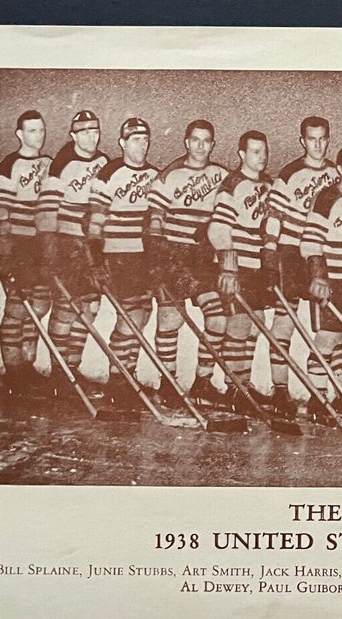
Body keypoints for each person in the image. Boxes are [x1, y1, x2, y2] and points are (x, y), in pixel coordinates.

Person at [146, 119, 228, 409]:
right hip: (172, 255)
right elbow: (155, 216)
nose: (200, 146)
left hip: (202, 257)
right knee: (171, 319)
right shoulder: (171, 173)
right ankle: (167, 383)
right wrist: (159, 256)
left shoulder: (221, 175)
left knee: (218, 317)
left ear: (213, 144)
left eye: (206, 140)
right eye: (195, 140)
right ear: (186, 142)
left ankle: (202, 381)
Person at [266, 116, 339, 416]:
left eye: (323, 138)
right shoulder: (290, 173)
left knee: (328, 325)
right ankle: (280, 390)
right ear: (302, 141)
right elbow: (273, 217)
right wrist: (270, 256)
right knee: (285, 320)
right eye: (312, 139)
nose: (318, 144)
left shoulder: (336, 173)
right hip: (291, 251)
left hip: (320, 254)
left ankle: (321, 394)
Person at [86, 117, 159, 407]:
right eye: (135, 138)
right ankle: (118, 378)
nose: (141, 143)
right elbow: (95, 221)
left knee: (142, 314)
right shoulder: (109, 173)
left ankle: (126, 374)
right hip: (117, 254)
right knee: (128, 316)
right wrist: (96, 259)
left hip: (143, 255)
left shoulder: (155, 174)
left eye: (145, 138)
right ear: (122, 142)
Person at [207, 130, 281, 413]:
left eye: (264, 151)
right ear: (241, 154)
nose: (261, 157)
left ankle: (243, 385)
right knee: (238, 325)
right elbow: (218, 229)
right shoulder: (232, 185)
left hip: (257, 266)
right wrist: (228, 268)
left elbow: (272, 224)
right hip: (237, 266)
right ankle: (235, 390)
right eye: (254, 152)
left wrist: (271, 259)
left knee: (255, 324)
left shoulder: (268, 184)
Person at [37, 110, 108, 396]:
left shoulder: (104, 161)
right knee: (66, 308)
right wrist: (50, 252)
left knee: (90, 307)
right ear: (73, 135)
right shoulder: (60, 165)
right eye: (85, 133)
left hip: (91, 245)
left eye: (96, 132)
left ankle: (72, 368)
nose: (92, 137)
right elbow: (46, 212)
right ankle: (59, 374)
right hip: (67, 244)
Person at [299, 145, 342, 425]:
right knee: (327, 340)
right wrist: (318, 276)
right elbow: (311, 242)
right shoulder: (327, 198)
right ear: (339, 169)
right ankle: (317, 399)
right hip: (331, 281)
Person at [0, 110, 52, 395]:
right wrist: (5, 255)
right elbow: (1, 213)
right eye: (32, 131)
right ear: (20, 134)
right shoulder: (9, 165)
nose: (38, 136)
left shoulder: (48, 163)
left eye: (41, 130)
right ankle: (14, 371)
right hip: (16, 244)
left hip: (40, 245)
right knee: (18, 308)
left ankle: (28, 365)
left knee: (39, 305)